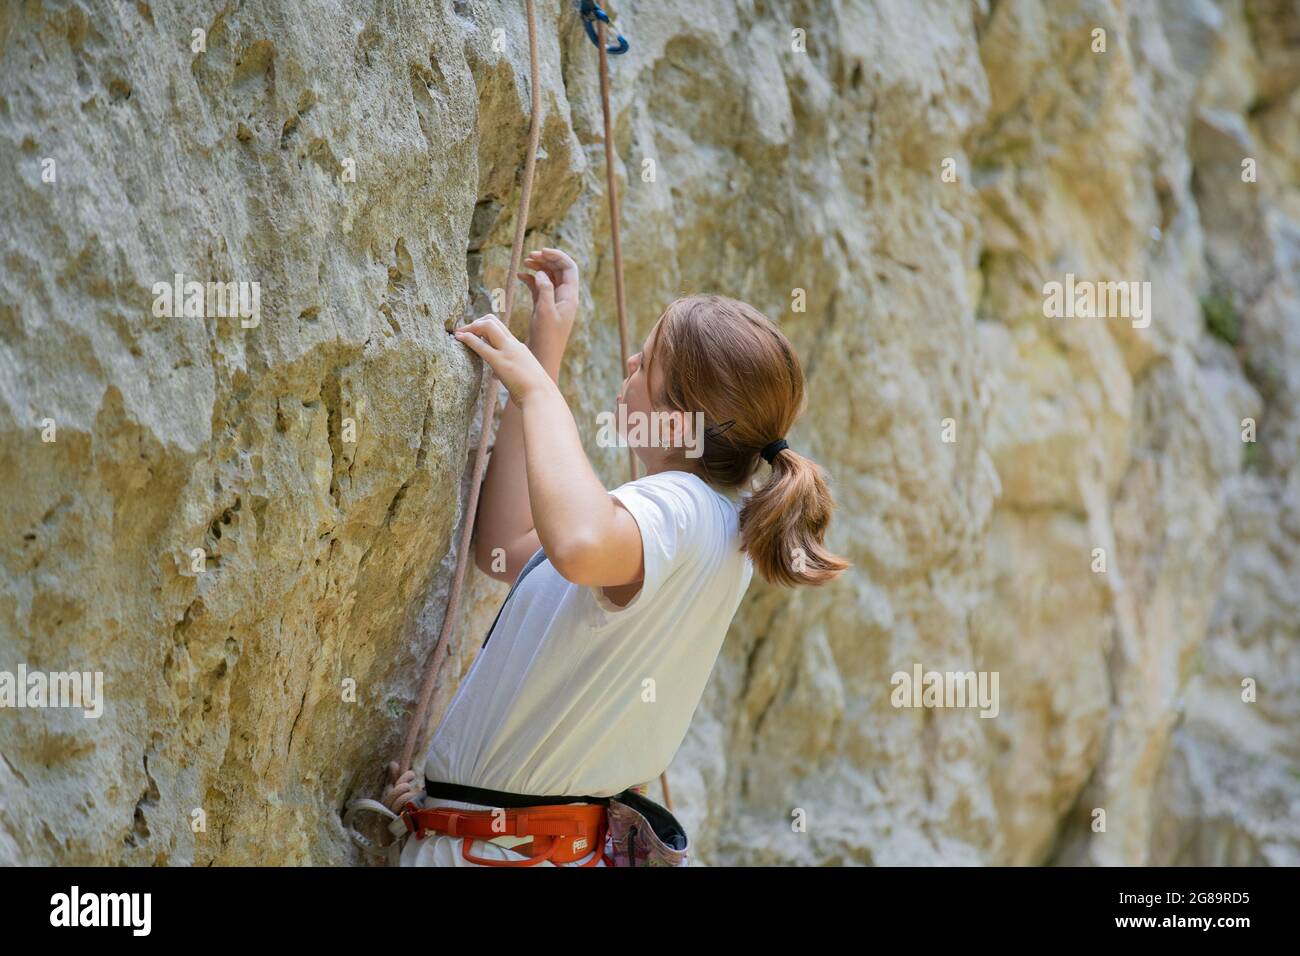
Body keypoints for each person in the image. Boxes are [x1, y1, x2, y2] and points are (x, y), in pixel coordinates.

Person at [386, 248, 848, 865]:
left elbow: (576, 543)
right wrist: (542, 360)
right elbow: (505, 548)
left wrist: (538, 393)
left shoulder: (679, 508)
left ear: (681, 418)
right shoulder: (708, 524)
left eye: (648, 362)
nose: (630, 362)